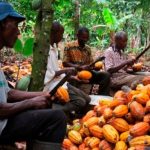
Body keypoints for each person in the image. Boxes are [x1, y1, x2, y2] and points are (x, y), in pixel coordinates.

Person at [0, 2, 66, 150]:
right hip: (2, 126)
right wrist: (31, 102)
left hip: (4, 121)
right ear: (3, 23)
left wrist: (40, 94)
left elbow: (8, 93)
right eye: (15, 25)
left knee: (48, 112)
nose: (18, 32)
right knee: (57, 119)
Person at [44, 21, 91, 120]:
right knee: (80, 102)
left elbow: (56, 70)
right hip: (52, 86)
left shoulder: (54, 47)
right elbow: (50, 74)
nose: (62, 36)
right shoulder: (45, 50)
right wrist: (66, 70)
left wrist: (74, 78)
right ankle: (52, 110)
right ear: (54, 33)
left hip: (60, 82)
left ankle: (71, 114)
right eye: (61, 33)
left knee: (88, 99)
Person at [63, 27, 110, 95]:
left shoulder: (87, 48)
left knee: (105, 75)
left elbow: (91, 64)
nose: (85, 40)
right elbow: (65, 63)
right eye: (83, 37)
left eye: (87, 38)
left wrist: (94, 67)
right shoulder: (69, 46)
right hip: (75, 73)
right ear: (78, 35)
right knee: (72, 74)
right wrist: (80, 67)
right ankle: (74, 95)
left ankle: (102, 97)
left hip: (87, 73)